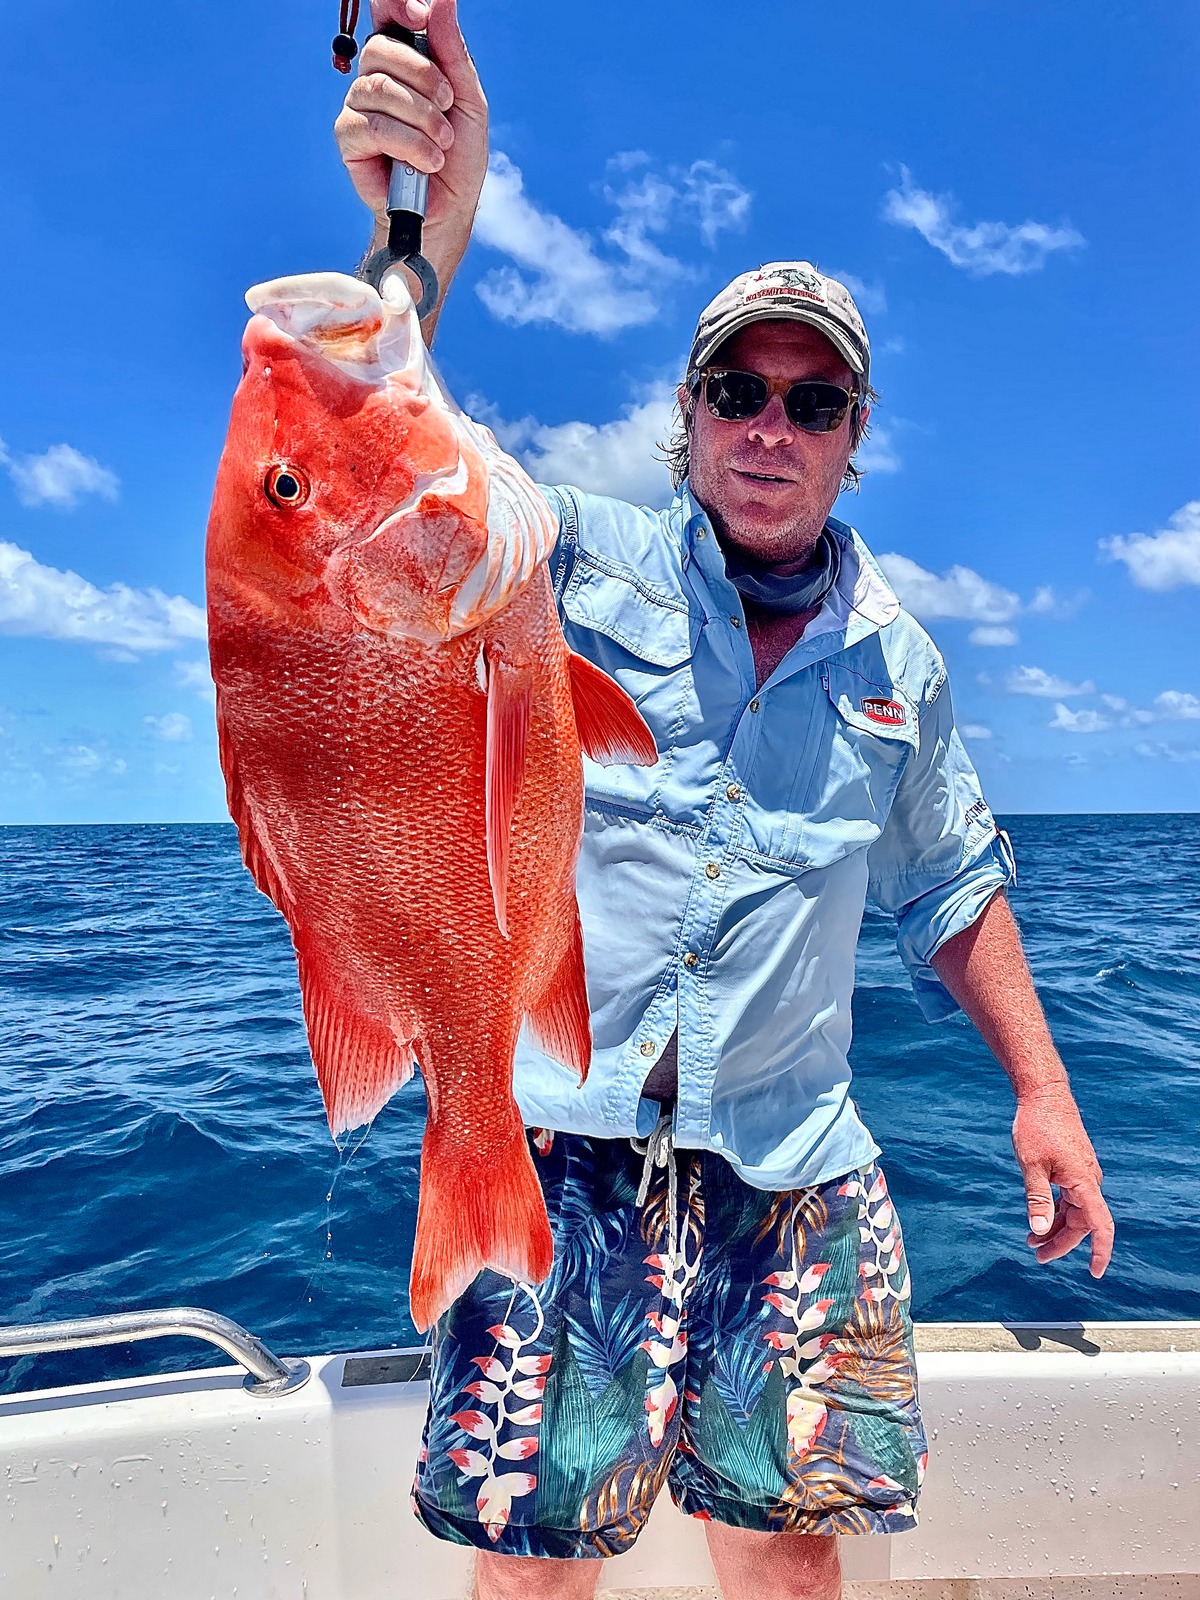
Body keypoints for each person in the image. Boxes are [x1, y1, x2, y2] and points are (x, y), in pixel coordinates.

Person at [335, 5, 1115, 1597]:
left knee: (785, 1559)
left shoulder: (899, 665)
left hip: (791, 1163)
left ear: (855, 441)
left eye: (812, 403)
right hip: (554, 1147)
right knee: (536, 1561)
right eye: (738, 394)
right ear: (685, 420)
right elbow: (374, 469)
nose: (773, 429)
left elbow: (950, 888)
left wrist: (1044, 1091)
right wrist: (420, 223)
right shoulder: (562, 563)